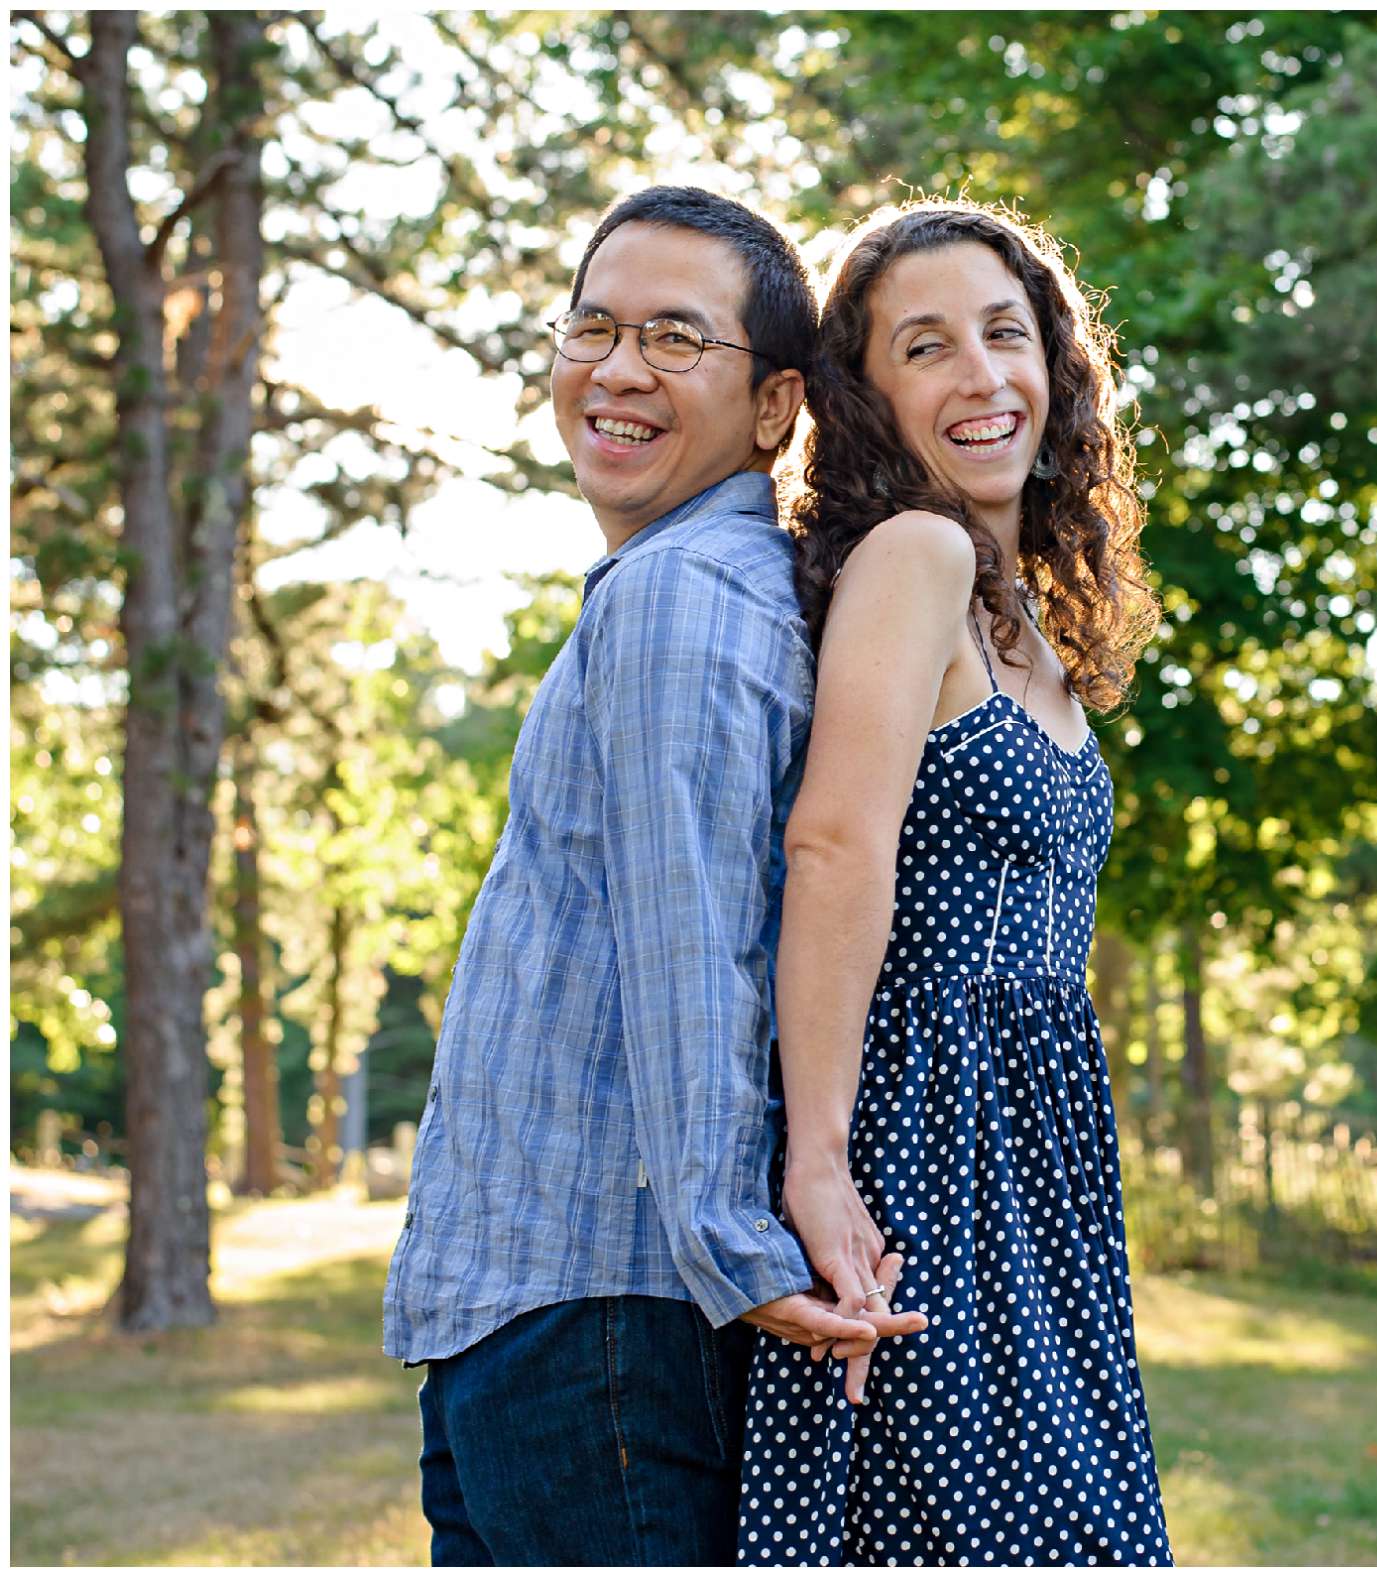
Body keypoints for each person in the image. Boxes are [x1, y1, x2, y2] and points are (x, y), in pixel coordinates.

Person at [382, 185, 924, 1566]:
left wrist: (728, 1245)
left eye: (677, 339)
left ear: (773, 406)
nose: (618, 369)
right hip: (556, 1309)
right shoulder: (696, 584)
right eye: (594, 326)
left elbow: (698, 955)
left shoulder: (682, 598)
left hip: (595, 1316)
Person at [735, 199, 1172, 1565]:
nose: (984, 378)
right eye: (927, 349)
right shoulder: (914, 556)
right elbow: (834, 843)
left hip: (1034, 1142)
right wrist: (816, 1158)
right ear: (865, 396)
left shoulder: (1020, 601)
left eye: (1006, 333)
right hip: (924, 1131)